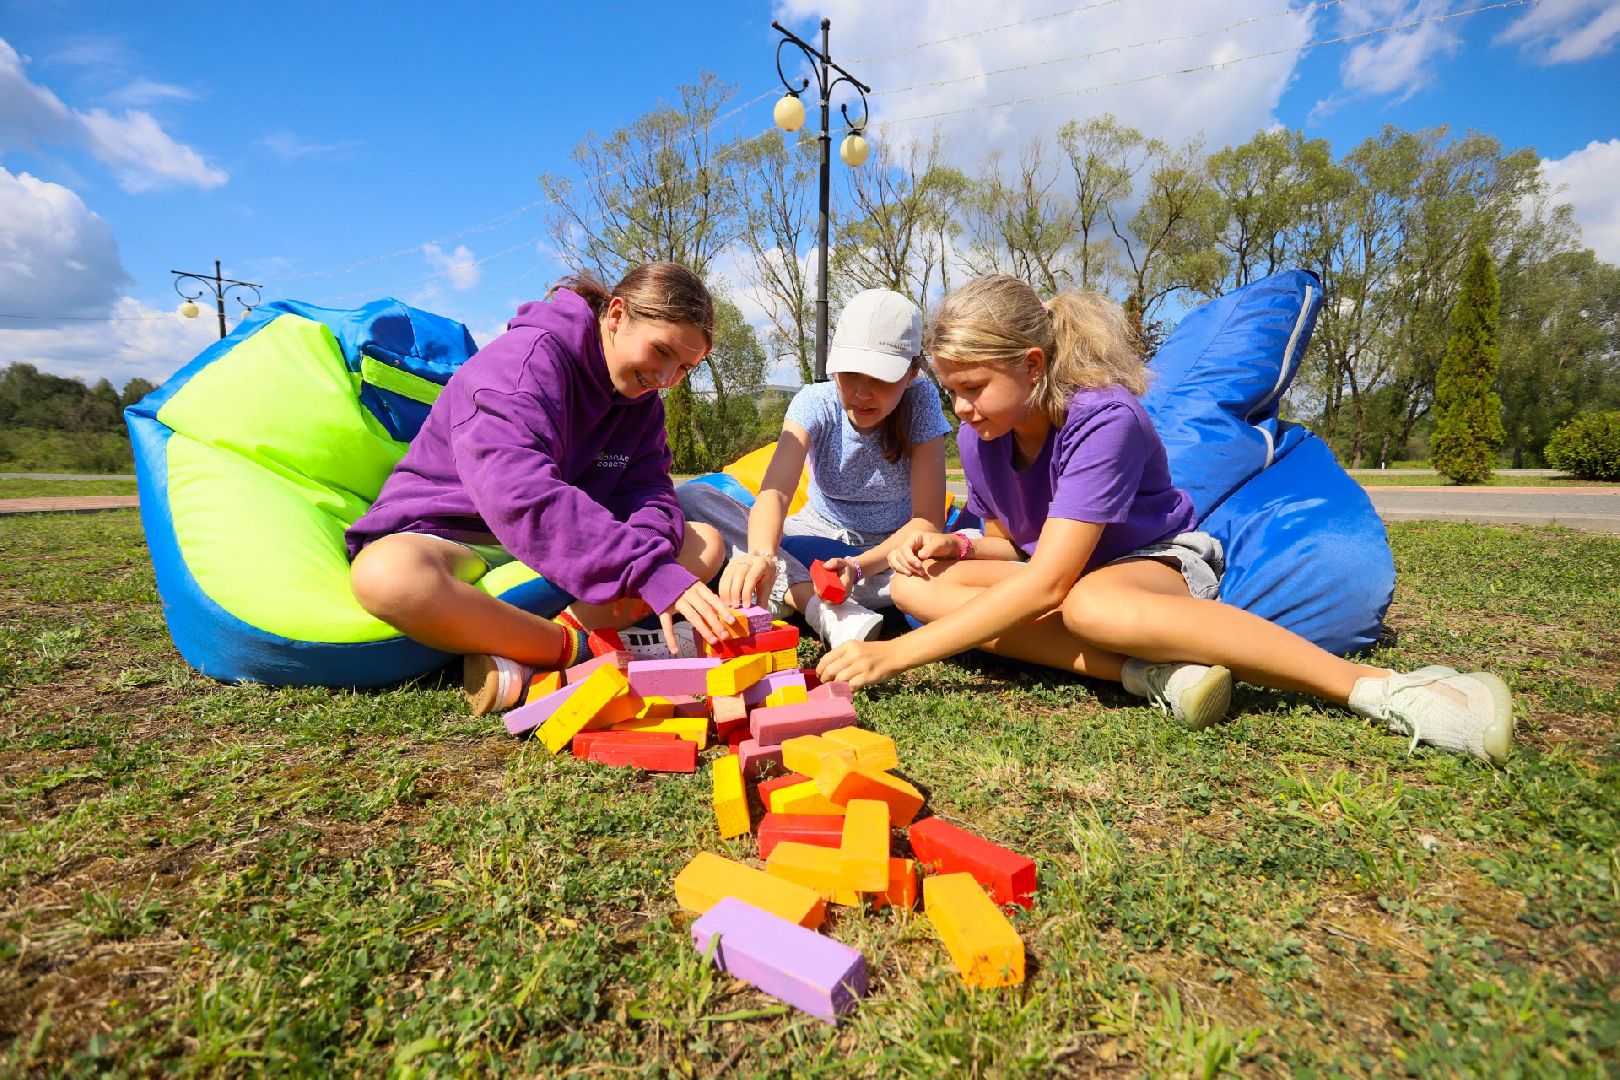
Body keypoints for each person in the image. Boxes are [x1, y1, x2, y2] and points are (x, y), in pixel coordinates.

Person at [817, 275, 1514, 764]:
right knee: (912, 590)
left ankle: (1386, 691)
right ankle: (1153, 677)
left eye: (972, 389)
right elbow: (1011, 542)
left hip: (1153, 562)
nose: (960, 409)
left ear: (1032, 365)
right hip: (1063, 575)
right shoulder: (984, 435)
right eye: (949, 390)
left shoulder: (1103, 419)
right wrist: (956, 546)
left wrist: (893, 655)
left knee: (1091, 605)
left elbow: (1050, 584)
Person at [347, 262, 742, 715]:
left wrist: (651, 551)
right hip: (458, 530)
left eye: (686, 368)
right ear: (616, 315)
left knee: (703, 541)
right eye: (661, 351)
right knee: (386, 577)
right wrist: (646, 570)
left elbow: (649, 489)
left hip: (568, 548)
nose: (667, 379)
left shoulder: (642, 403)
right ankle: (576, 650)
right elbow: (517, 489)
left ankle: (526, 649)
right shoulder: (525, 359)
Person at [679, 289, 953, 647]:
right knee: (693, 496)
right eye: (850, 373)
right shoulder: (815, 402)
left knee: (933, 571)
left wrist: (856, 569)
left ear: (913, 372)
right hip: (806, 539)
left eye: (881, 378)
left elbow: (927, 520)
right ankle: (817, 605)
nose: (862, 391)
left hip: (887, 555)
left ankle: (789, 592)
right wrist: (761, 555)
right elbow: (775, 492)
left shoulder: (922, 400)